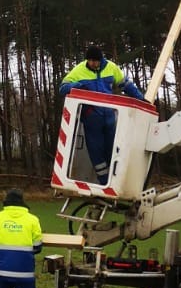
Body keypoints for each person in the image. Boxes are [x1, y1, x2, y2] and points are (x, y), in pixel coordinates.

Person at [59, 44, 145, 183]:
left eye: (95, 61)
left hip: (109, 117)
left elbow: (126, 85)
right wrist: (78, 86)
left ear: (101, 59)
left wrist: (141, 99)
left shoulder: (111, 67)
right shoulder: (79, 70)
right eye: (90, 61)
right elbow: (63, 88)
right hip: (91, 118)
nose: (92, 63)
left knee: (114, 150)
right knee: (96, 152)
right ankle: (104, 181)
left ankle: (116, 180)